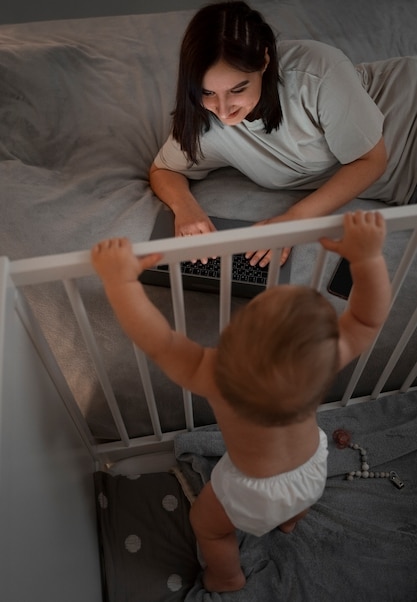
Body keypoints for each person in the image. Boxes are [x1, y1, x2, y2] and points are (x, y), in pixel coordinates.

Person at [91, 210, 391, 593]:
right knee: (292, 506)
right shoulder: (326, 361)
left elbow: (158, 340)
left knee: (209, 528)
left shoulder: (215, 374)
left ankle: (226, 576)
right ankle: (290, 521)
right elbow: (367, 318)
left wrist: (120, 283)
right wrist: (367, 259)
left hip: (252, 491)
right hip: (312, 469)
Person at [149, 0, 417, 266]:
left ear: (265, 62)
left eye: (238, 89)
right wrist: (186, 210)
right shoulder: (202, 120)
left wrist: (292, 221)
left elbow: (371, 159)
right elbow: (164, 170)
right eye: (207, 92)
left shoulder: (317, 73)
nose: (222, 110)